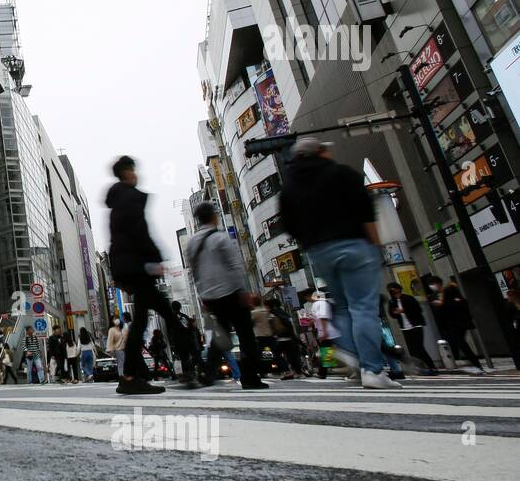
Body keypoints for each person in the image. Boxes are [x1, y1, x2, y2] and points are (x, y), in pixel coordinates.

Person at [280, 137, 399, 389]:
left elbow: (288, 224)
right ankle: (372, 369)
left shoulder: (289, 187)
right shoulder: (341, 173)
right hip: (354, 245)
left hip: (319, 252)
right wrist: (376, 246)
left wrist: (310, 242)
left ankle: (353, 355)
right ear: (321, 152)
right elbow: (366, 211)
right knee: (363, 307)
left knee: (342, 307)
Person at [106, 156, 198, 395]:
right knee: (165, 316)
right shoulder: (128, 196)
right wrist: (155, 259)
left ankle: (131, 376)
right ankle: (186, 369)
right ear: (127, 172)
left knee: (143, 321)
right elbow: (139, 231)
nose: (136, 174)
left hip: (129, 266)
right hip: (138, 266)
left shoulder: (118, 200)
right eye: (133, 170)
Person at [184, 201, 266, 390]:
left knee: (221, 335)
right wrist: (243, 291)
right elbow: (235, 266)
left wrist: (202, 296)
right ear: (214, 216)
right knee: (245, 334)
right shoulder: (220, 238)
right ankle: (250, 376)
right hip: (231, 292)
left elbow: (194, 272)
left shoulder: (191, 243)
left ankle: (207, 372)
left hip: (211, 296)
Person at [424, 275, 483, 373]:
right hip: (446, 324)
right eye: (430, 285)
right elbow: (436, 311)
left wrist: (443, 304)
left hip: (458, 322)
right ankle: (458, 362)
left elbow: (461, 303)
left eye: (433, 284)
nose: (432, 286)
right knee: (454, 343)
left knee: (460, 342)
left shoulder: (450, 290)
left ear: (439, 283)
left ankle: (476, 364)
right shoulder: (433, 297)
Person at [387, 283, 438, 375]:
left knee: (419, 348)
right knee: (412, 349)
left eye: (394, 288)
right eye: (391, 289)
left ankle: (432, 367)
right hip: (405, 327)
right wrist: (395, 312)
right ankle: (420, 368)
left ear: (399, 289)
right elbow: (391, 314)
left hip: (416, 325)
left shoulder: (408, 298)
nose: (393, 291)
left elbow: (418, 309)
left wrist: (404, 310)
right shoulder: (392, 301)